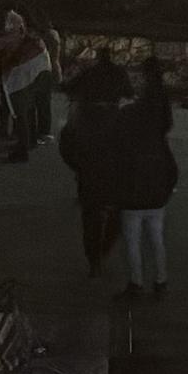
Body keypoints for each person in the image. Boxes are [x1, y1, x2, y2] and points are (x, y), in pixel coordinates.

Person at [112, 59, 176, 301]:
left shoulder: (132, 123)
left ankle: (136, 282)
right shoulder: (160, 134)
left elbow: (118, 162)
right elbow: (172, 168)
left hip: (134, 193)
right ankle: (161, 280)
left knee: (132, 239)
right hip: (157, 191)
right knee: (157, 238)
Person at [59, 77, 124, 278]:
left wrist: (79, 166)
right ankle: (102, 252)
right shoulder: (120, 117)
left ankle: (94, 258)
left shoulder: (80, 117)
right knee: (115, 216)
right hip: (114, 175)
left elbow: (67, 146)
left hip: (89, 175)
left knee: (92, 219)